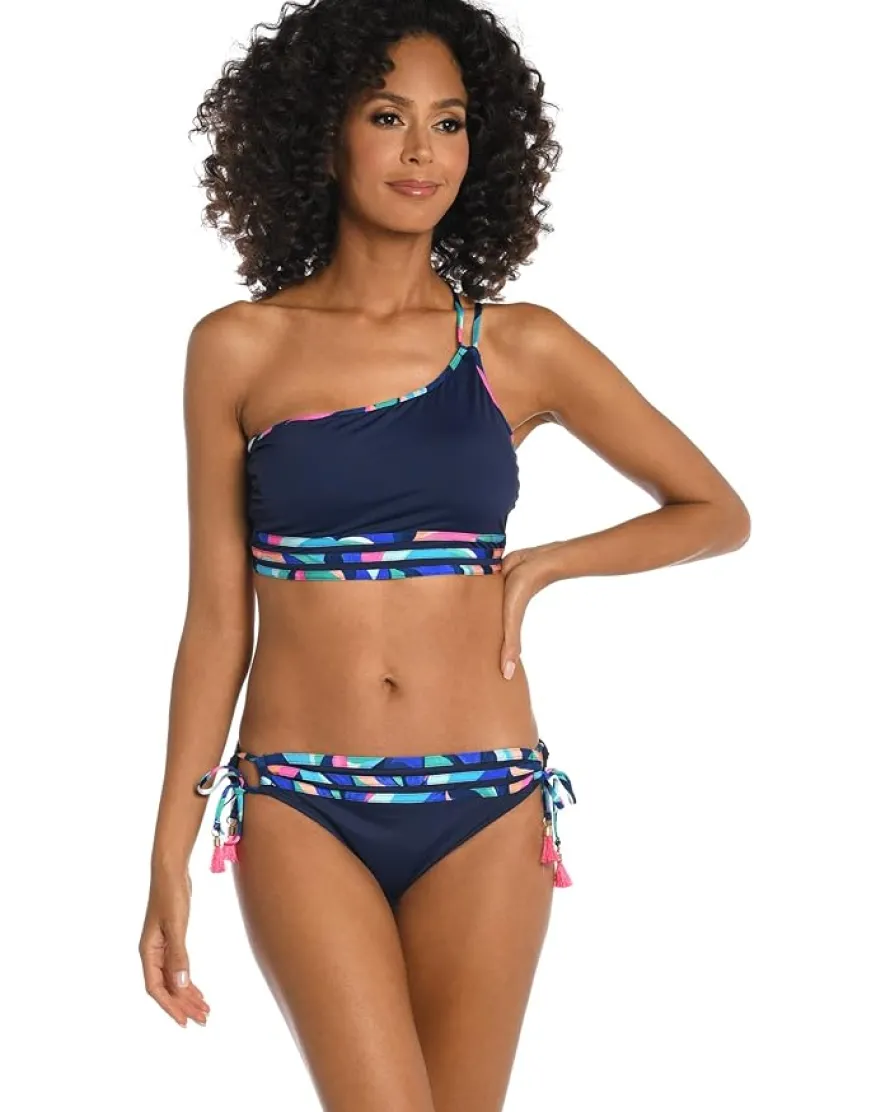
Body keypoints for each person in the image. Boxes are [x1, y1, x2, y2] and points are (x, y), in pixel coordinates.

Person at [139, 1, 750, 1109]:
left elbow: (713, 510)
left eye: (449, 122)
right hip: (301, 800)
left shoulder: (517, 344)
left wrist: (548, 563)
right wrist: (168, 852)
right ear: (320, 134)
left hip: (488, 800)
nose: (422, 151)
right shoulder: (238, 347)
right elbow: (217, 620)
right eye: (387, 116)